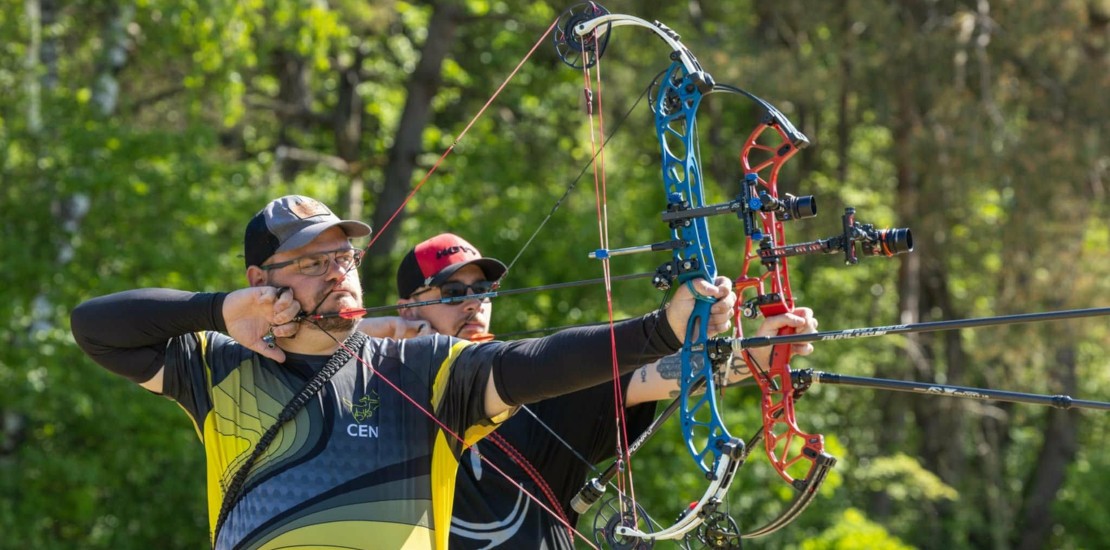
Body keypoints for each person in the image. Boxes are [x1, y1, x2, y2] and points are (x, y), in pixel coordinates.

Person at [68, 195, 737, 550]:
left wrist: (661, 329)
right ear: (258, 282)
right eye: (310, 261)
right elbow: (95, 328)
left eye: (344, 256)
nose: (336, 270)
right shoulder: (216, 365)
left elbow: (536, 362)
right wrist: (217, 311)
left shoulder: (425, 369)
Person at [385, 233, 818, 549]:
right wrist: (391, 336)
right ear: (408, 308)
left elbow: (663, 374)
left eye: (483, 290)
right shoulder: (374, 390)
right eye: (452, 292)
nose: (473, 303)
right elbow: (322, 347)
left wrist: (759, 354)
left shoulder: (539, 379)